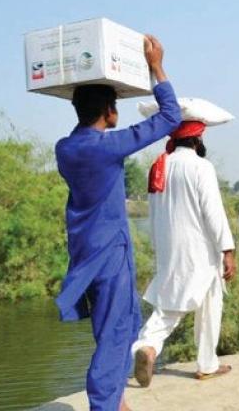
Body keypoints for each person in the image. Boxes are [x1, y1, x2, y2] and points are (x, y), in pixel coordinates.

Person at [54, 36, 180, 411]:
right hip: (109, 252)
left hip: (85, 250)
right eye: (115, 107)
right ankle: (104, 404)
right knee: (115, 332)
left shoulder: (65, 148)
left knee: (115, 325)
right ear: (109, 111)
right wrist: (156, 67)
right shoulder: (106, 146)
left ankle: (117, 399)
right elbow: (170, 118)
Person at [132, 120, 236, 387]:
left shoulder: (159, 166)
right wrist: (227, 248)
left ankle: (148, 346)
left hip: (169, 248)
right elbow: (213, 212)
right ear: (197, 139)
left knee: (169, 304)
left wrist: (158, 246)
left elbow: (153, 212)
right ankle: (206, 364)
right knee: (210, 304)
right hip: (200, 248)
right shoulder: (201, 166)